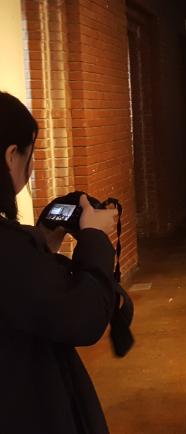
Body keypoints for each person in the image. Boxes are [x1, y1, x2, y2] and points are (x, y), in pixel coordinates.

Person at [0, 92, 122, 433]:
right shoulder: (8, 248)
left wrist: (42, 246)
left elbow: (22, 296)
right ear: (12, 156)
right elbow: (83, 318)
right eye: (31, 153)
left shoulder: (14, 249)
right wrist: (95, 237)